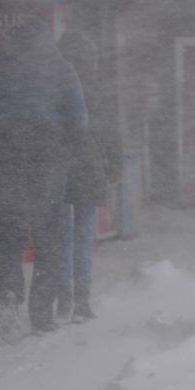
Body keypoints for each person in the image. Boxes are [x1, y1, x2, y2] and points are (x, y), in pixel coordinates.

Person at [0, 19, 87, 341]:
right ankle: (41, 316)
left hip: (6, 162)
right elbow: (79, 118)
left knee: (9, 234)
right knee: (47, 237)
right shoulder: (61, 68)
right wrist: (71, 153)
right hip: (48, 163)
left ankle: (8, 298)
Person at [56, 31, 120, 323]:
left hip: (57, 165)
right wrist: (115, 165)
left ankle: (64, 294)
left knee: (60, 232)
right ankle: (81, 298)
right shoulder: (99, 88)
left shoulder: (55, 83)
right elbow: (111, 131)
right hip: (90, 166)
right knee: (83, 234)